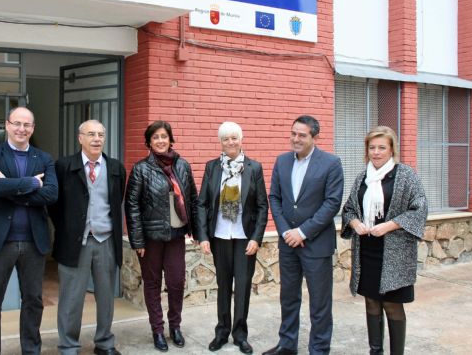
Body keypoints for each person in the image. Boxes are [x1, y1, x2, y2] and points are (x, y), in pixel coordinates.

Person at [0, 106, 58, 355]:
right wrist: (32, 183)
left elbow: (51, 194)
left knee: (33, 301)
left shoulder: (43, 158)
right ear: (7, 125)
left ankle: (31, 351)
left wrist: (9, 187)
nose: (21, 129)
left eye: (27, 125)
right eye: (16, 123)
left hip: (33, 241)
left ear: (33, 129)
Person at [341, 126, 427, 355]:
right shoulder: (363, 177)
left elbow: (419, 209)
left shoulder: (405, 175)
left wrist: (389, 226)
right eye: (372, 147)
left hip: (394, 251)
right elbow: (349, 208)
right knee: (371, 302)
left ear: (391, 150)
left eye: (382, 147)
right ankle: (375, 351)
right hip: (367, 249)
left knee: (392, 305)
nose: (376, 152)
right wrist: (355, 223)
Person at [263, 115, 344, 355]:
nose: (295, 139)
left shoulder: (331, 163)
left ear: (314, 137)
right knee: (288, 298)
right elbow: (275, 198)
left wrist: (303, 232)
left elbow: (332, 204)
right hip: (288, 243)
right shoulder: (282, 161)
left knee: (319, 302)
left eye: (302, 135)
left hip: (316, 244)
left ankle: (318, 349)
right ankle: (287, 345)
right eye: (293, 134)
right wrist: (286, 230)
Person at [49, 120, 126, 355]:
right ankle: (69, 345)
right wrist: (68, 229)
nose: (97, 139)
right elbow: (53, 204)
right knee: (71, 298)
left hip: (106, 241)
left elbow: (116, 201)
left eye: (101, 134)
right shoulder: (63, 166)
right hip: (75, 242)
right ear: (79, 138)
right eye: (91, 134)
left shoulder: (115, 168)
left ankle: (104, 343)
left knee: (106, 297)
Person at [195, 122, 269, 354]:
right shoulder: (212, 167)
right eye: (226, 138)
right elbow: (202, 203)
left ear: (241, 139)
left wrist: (256, 238)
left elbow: (261, 206)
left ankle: (240, 334)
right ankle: (221, 332)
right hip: (220, 236)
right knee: (223, 285)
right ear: (220, 142)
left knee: (243, 287)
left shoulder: (253, 168)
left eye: (234, 138)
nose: (230, 142)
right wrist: (203, 236)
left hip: (244, 237)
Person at [125, 120, 199, 352]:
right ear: (149, 142)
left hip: (177, 236)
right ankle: (157, 329)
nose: (160, 141)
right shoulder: (141, 169)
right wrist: (137, 241)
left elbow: (193, 200)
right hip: (151, 239)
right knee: (153, 284)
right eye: (155, 137)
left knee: (177, 282)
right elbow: (132, 206)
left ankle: (175, 326)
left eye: (164, 136)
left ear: (170, 139)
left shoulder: (183, 166)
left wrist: (197, 231)